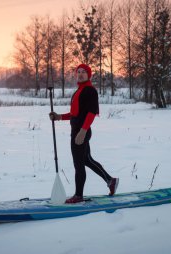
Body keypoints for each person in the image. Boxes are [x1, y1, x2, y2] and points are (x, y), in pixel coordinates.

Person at [49, 63, 119, 204]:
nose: (80, 74)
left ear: (88, 75)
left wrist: (83, 131)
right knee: (87, 160)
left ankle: (78, 195)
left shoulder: (90, 91)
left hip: (81, 132)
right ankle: (110, 181)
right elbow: (75, 114)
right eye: (78, 72)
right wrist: (59, 117)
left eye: (83, 72)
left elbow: (92, 113)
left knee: (78, 164)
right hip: (78, 131)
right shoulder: (79, 91)